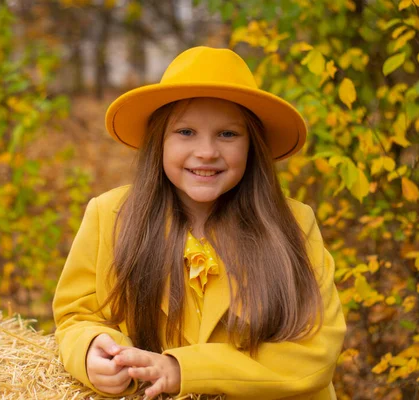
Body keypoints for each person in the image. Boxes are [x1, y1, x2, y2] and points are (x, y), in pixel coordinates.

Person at [53, 46, 346, 400]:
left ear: (253, 145)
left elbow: (314, 353)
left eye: (228, 134)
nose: (206, 151)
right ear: (158, 139)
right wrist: (94, 349)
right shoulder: (110, 216)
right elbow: (76, 316)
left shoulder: (293, 226)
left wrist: (183, 370)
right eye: (186, 132)